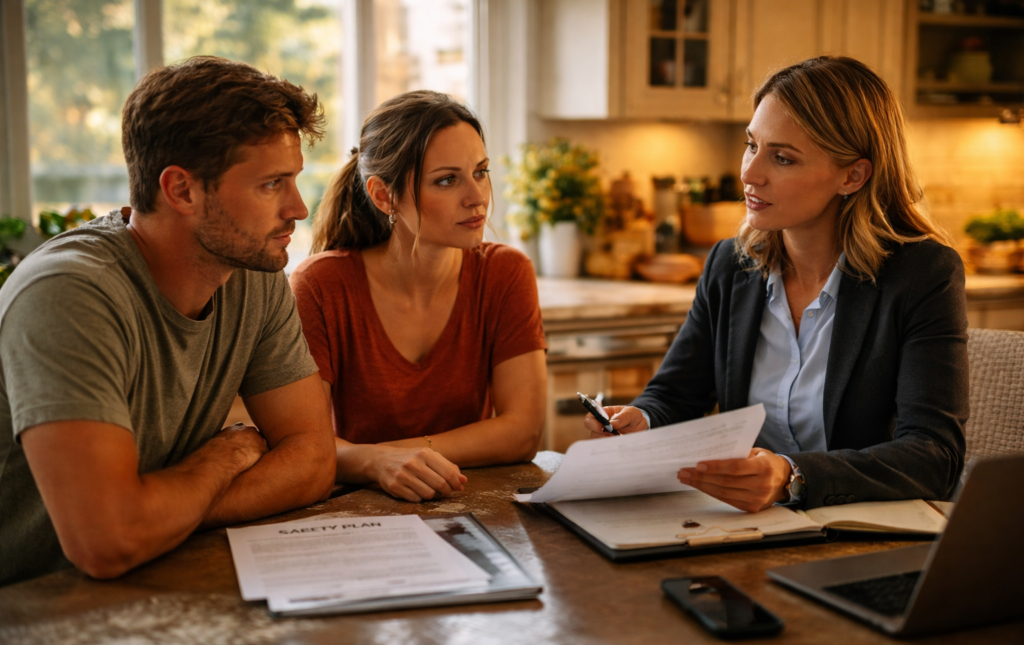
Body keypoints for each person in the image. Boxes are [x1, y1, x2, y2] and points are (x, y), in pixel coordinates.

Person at [0, 56, 337, 586]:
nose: (298, 208)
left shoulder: (252, 272)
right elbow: (107, 541)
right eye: (272, 184)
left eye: (294, 180)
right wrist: (221, 460)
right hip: (31, 612)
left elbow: (313, 461)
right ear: (181, 190)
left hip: (151, 584)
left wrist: (158, 513)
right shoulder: (68, 294)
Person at [584, 56, 968, 512]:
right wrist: (640, 420)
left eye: (782, 157)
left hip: (860, 537)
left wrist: (792, 476)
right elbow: (676, 393)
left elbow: (934, 456)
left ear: (853, 176)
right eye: (752, 145)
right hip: (747, 529)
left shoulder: (923, 275)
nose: (749, 173)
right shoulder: (730, 265)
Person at [290, 91, 547, 504]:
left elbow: (523, 432)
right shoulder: (321, 287)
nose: (476, 196)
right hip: (355, 511)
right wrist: (376, 465)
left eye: (480, 172)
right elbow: (300, 445)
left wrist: (388, 456)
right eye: (447, 180)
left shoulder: (505, 273)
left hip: (471, 505)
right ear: (383, 196)